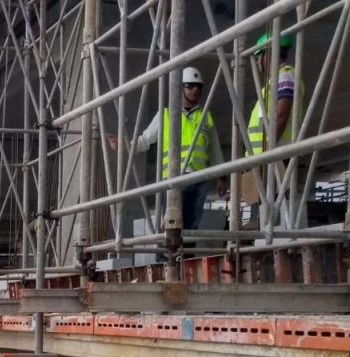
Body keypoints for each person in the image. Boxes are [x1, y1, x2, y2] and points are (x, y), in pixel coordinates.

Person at [109, 67, 226, 230]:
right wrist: (124, 145)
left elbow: (214, 149)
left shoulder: (205, 116)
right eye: (190, 86)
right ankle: (167, 256)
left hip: (199, 179)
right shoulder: (166, 115)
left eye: (198, 87)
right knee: (173, 224)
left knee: (192, 225)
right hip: (173, 178)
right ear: (181, 88)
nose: (195, 90)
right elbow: (145, 140)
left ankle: (187, 255)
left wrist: (221, 177)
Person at [247, 33, 296, 156]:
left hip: (272, 156)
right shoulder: (276, 80)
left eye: (259, 56)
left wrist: (266, 154)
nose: (258, 62)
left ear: (268, 54)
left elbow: (281, 115)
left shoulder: (284, 76)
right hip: (262, 156)